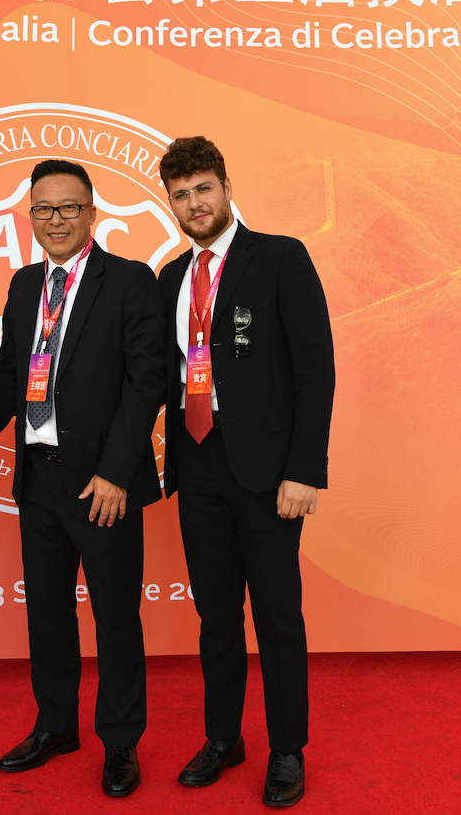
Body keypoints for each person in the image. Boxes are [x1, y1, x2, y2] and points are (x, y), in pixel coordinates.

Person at [0, 159, 165, 797]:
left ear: (92, 213)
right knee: (47, 615)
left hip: (101, 485)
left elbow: (146, 384)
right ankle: (55, 726)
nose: (56, 220)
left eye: (69, 207)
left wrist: (115, 473)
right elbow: (8, 374)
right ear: (31, 216)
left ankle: (120, 741)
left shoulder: (129, 281)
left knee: (115, 617)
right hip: (39, 480)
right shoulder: (25, 285)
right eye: (44, 209)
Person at [156, 137, 335, 807]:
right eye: (181, 195)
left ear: (227, 188)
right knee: (215, 616)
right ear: (171, 204)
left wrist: (304, 470)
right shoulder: (170, 278)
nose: (194, 203)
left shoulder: (281, 257)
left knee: (277, 615)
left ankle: (287, 748)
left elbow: (315, 371)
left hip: (267, 471)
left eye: (203, 188)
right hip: (196, 460)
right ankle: (223, 737)